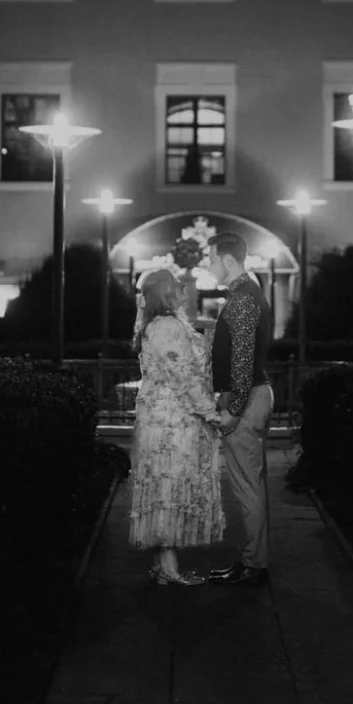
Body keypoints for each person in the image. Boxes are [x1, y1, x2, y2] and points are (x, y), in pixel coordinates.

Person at [128, 267, 224, 585]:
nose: (184, 288)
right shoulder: (166, 326)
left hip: (163, 417)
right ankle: (168, 566)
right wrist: (210, 413)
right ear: (167, 293)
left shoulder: (160, 324)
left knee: (164, 487)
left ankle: (163, 565)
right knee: (169, 485)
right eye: (178, 285)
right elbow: (182, 373)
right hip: (172, 420)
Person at [207, 232, 274, 587]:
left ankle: (254, 565)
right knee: (251, 484)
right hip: (251, 395)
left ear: (229, 260)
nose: (207, 263)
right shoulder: (246, 295)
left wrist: (233, 407)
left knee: (248, 487)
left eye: (211, 257)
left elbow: (243, 361)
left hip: (247, 399)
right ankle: (253, 559)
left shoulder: (244, 299)